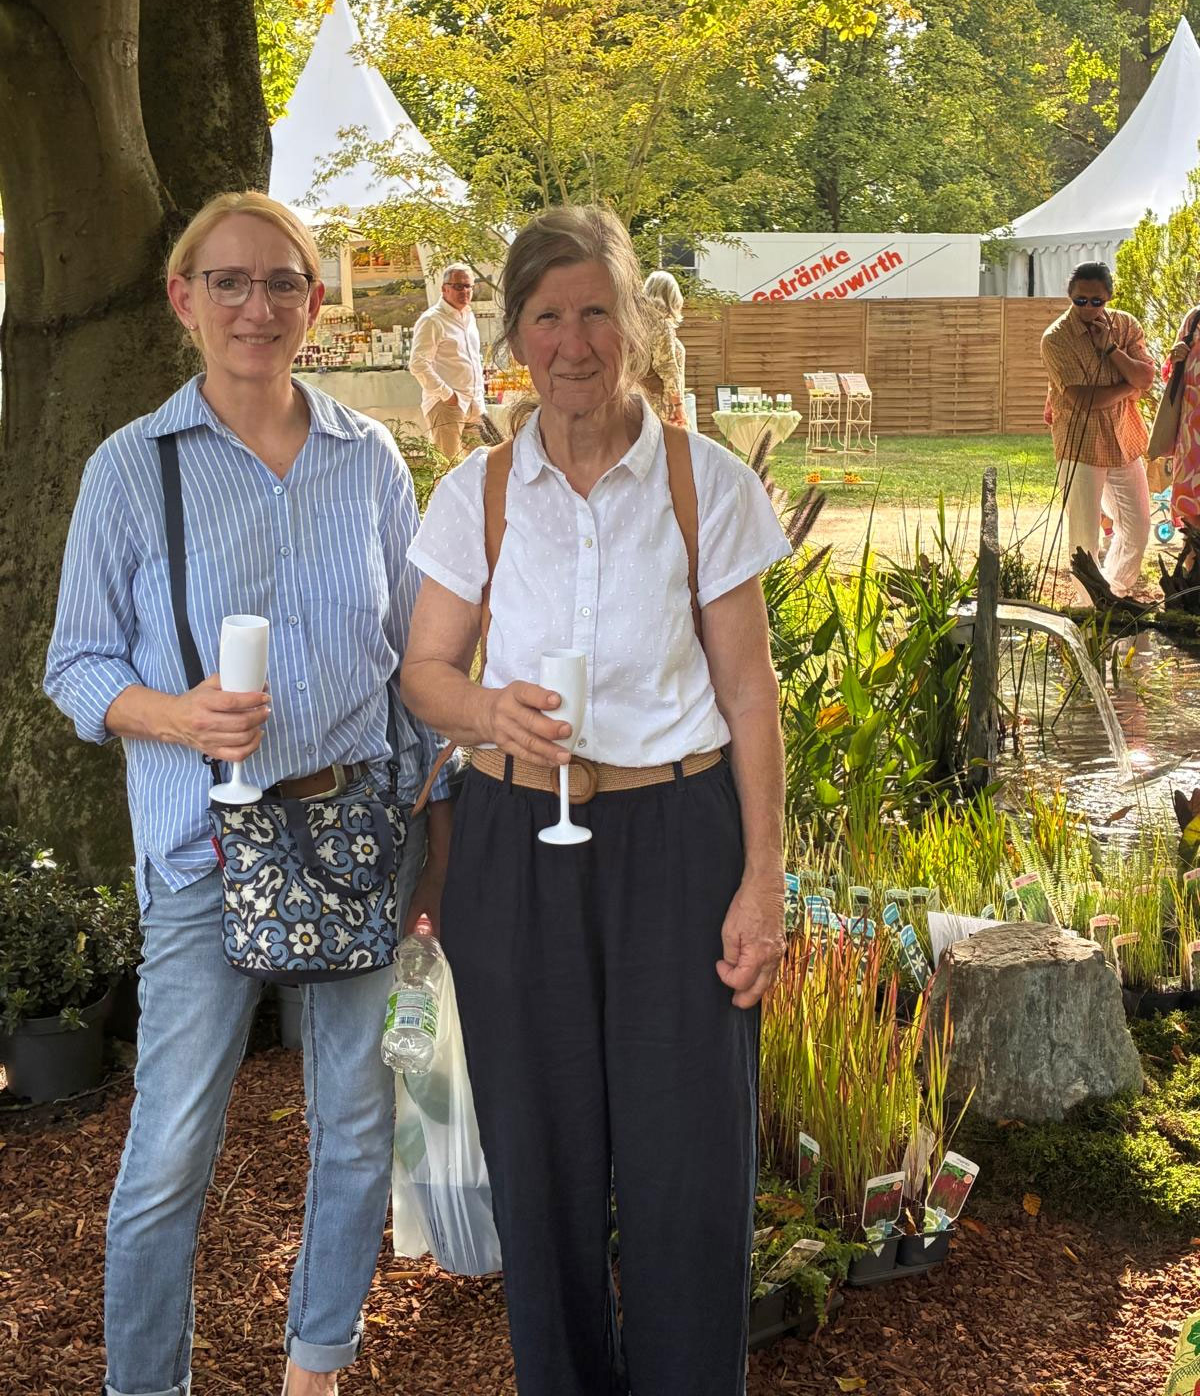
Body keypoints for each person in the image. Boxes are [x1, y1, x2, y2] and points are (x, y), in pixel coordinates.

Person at [44, 191, 452, 1396]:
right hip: (203, 851)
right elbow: (75, 664)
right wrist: (180, 716)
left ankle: (316, 1368)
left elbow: (414, 660)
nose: (255, 306)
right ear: (185, 299)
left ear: (314, 303)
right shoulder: (134, 468)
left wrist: (434, 838)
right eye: (228, 281)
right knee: (171, 1147)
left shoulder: (368, 457)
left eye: (280, 282)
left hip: (356, 836)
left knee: (357, 1129)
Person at [399, 205, 791, 1396]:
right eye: (546, 316)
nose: (573, 342)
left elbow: (749, 690)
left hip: (677, 838)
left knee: (689, 1163)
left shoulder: (703, 483)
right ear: (513, 334)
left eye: (595, 312)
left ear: (635, 325)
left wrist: (763, 876)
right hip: (516, 842)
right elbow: (424, 674)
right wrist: (488, 710)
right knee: (542, 1158)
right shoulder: (477, 493)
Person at [1040, 261, 1155, 599]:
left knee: (1138, 527)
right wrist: (1128, 386)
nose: (1088, 307)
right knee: (1084, 536)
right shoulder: (1056, 339)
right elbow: (1083, 399)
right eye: (1080, 300)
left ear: (1108, 298)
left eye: (1096, 301)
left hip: (1124, 438)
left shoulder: (1125, 325)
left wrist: (1111, 349)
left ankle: (1114, 593)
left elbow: (1146, 378)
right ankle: (1087, 603)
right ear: (1069, 295)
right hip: (1081, 445)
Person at [409, 262, 485, 457]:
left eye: (468, 286)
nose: (464, 291)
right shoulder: (432, 320)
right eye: (458, 286)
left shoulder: (468, 317)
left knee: (481, 465)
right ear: (444, 289)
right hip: (447, 405)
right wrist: (448, 395)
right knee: (447, 466)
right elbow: (418, 364)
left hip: (473, 405)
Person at [1166, 305, 1200, 530]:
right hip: (1193, 443)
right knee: (1193, 521)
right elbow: (1171, 374)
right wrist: (1176, 358)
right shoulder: (1195, 318)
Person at [642, 266, 689, 426]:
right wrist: (678, 406)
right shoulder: (661, 325)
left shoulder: (637, 323)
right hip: (663, 406)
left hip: (641, 401)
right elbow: (668, 369)